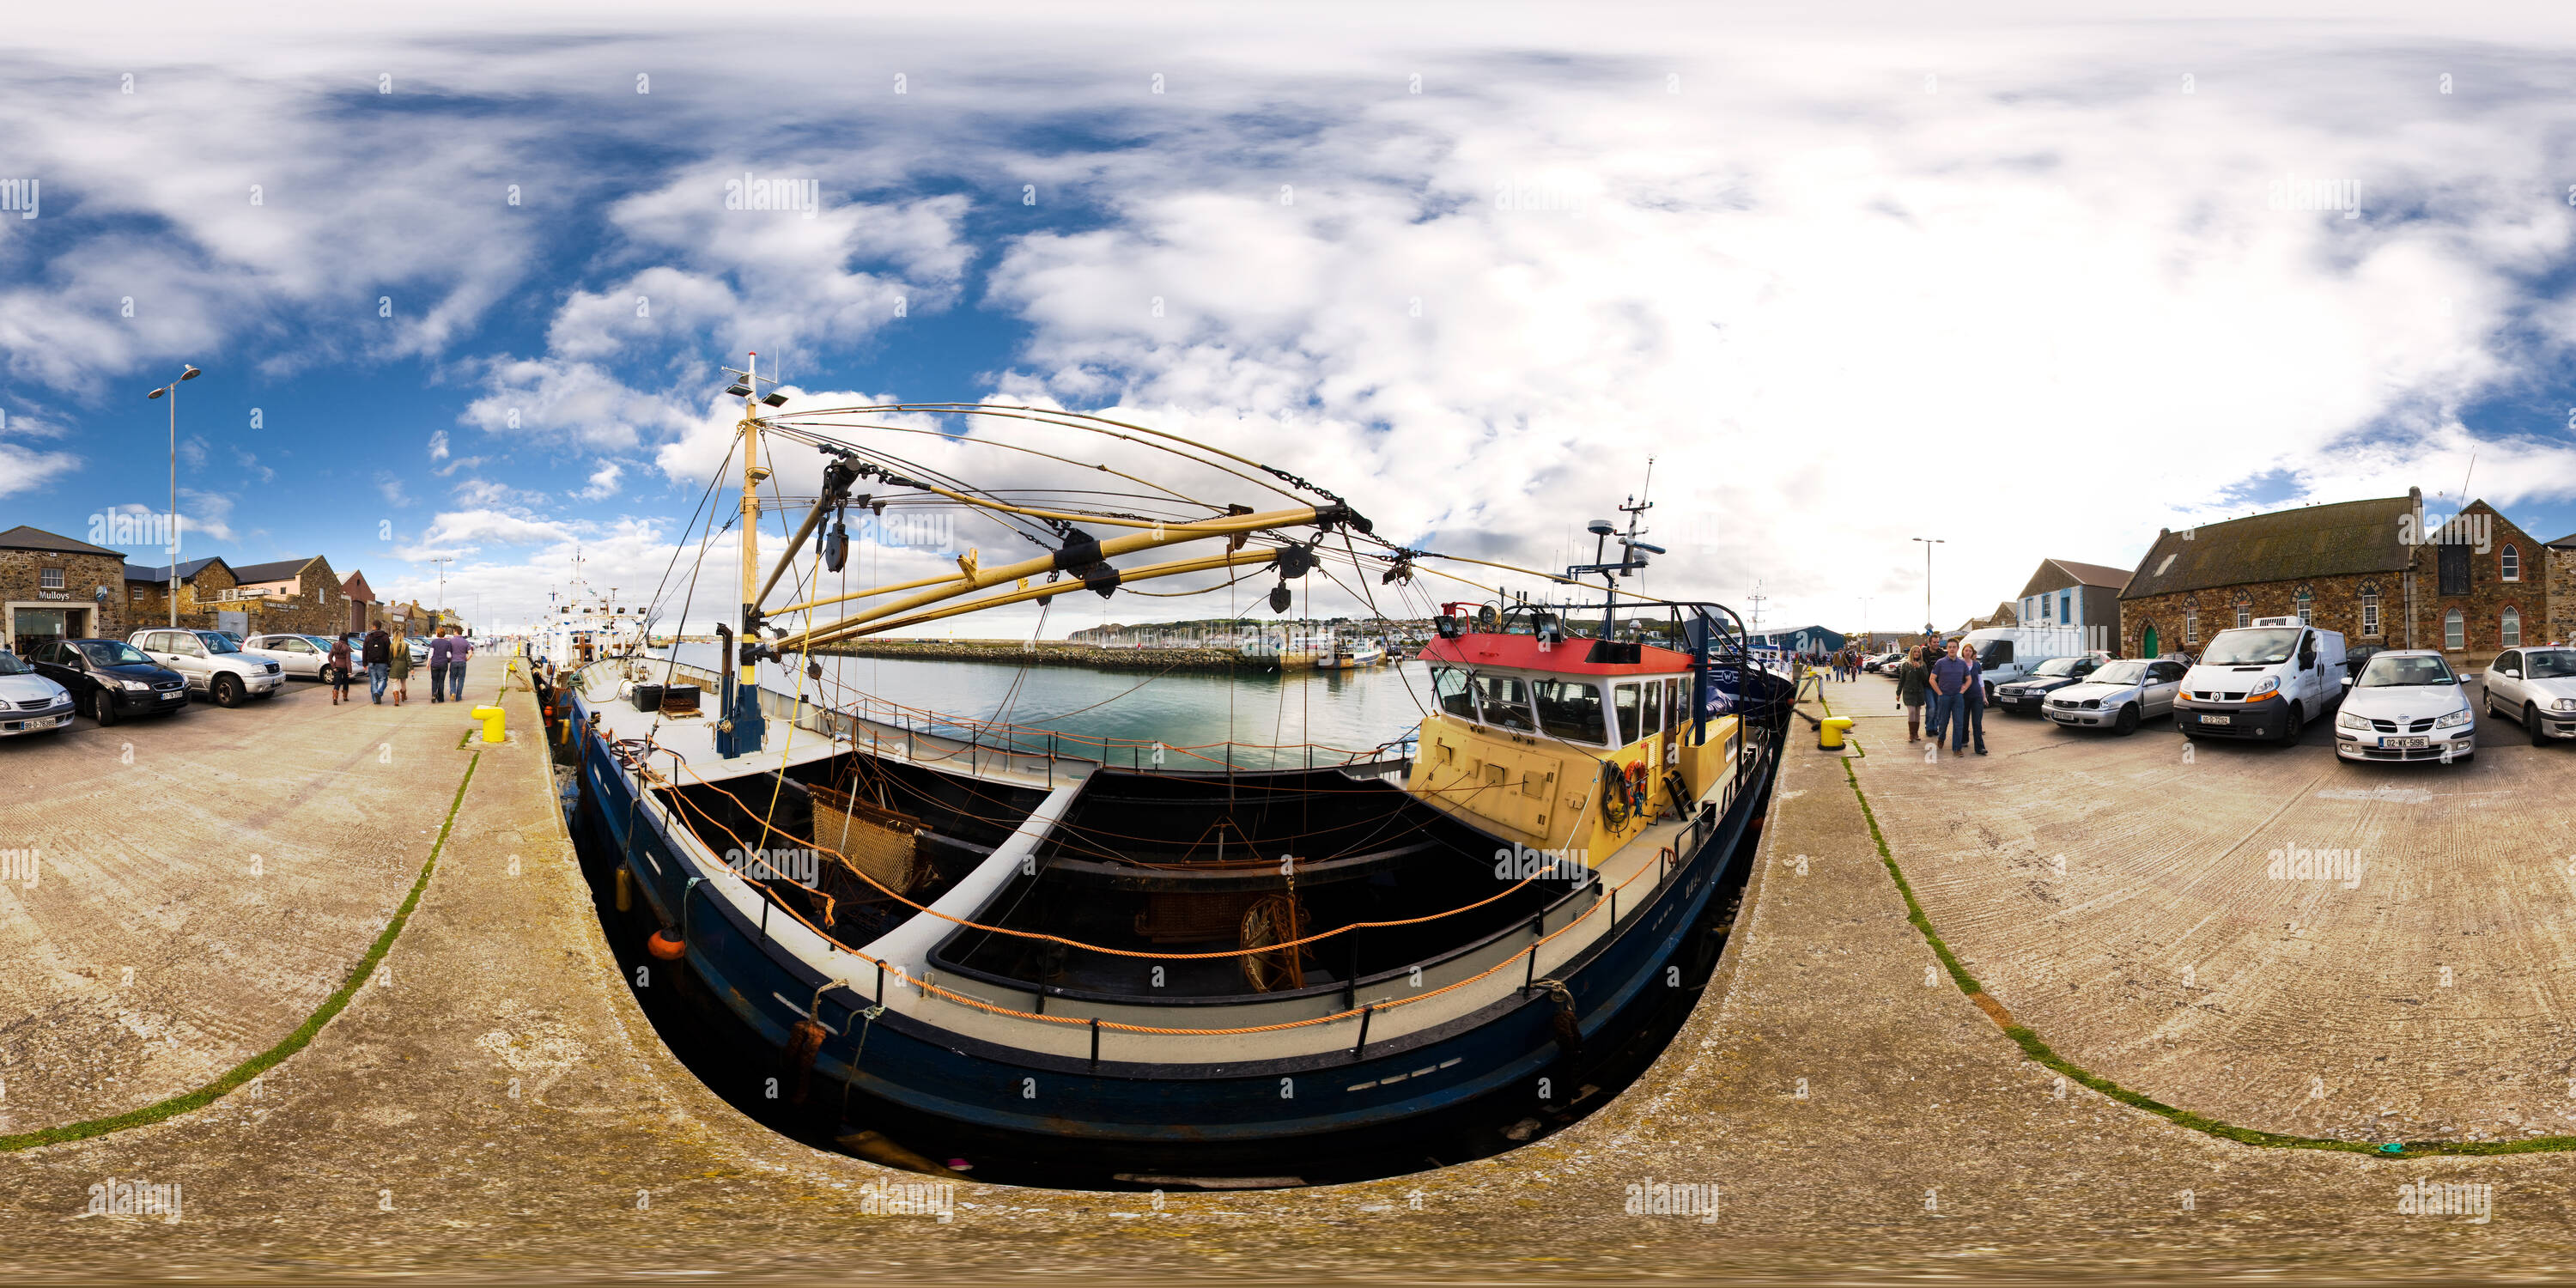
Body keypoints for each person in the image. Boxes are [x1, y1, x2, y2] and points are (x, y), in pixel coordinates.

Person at [1929, 643, 1974, 757]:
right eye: (1950, 647)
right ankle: (1941, 737)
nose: (1952, 649)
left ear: (1958, 649)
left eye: (1954, 647)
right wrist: (1939, 693)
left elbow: (1969, 679)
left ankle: (1957, 749)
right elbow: (1932, 679)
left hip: (1957, 697)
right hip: (1944, 697)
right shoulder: (1940, 663)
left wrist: (1963, 690)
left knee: (1959, 723)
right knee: (1943, 722)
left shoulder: (1962, 663)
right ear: (1947, 649)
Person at [1958, 641, 1989, 756]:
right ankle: (1964, 740)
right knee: (1964, 720)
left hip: (1977, 696)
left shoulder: (1977, 665)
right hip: (1964, 697)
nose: (1968, 652)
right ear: (1963, 652)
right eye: (1966, 650)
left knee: (1977, 723)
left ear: (1972, 653)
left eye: (1970, 651)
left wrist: (1984, 697)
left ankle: (1980, 748)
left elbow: (1981, 682)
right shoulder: (1959, 664)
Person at [1895, 645, 1930, 743]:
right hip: (1908, 692)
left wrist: (1919, 668)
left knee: (1917, 712)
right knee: (1911, 711)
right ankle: (1911, 733)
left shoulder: (1923, 664)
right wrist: (1898, 693)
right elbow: (1901, 680)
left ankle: (1916, 733)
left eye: (1918, 652)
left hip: (1919, 692)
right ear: (1911, 653)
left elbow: (1925, 678)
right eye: (1914, 651)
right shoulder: (1906, 665)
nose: (1916, 653)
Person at [362, 624, 392, 705]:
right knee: (383, 679)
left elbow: (364, 650)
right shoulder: (385, 637)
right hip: (382, 662)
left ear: (374, 626)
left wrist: (364, 663)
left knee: (373, 681)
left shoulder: (368, 637)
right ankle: (379, 692)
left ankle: (375, 700)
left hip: (371, 662)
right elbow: (389, 651)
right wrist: (389, 663)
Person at [427, 628, 457, 703]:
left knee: (434, 680)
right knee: (441, 681)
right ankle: (441, 698)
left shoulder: (434, 642)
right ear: (444, 634)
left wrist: (428, 663)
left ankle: (434, 693)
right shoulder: (448, 643)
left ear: (437, 633)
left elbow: (430, 654)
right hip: (443, 664)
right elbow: (449, 655)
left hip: (435, 663)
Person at [326, 634, 354, 706]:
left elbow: (329, 657)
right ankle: (345, 697)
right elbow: (348, 660)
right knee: (346, 682)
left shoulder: (334, 646)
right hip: (345, 667)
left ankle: (335, 698)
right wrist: (349, 671)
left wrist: (333, 666)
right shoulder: (347, 647)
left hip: (337, 667)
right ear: (346, 639)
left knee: (337, 683)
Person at [388, 627, 413, 706]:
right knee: (403, 683)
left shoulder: (392, 646)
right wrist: (411, 668)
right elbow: (408, 658)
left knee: (395, 684)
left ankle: (396, 700)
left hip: (395, 666)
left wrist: (388, 665)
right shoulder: (405, 646)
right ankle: (403, 695)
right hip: (403, 666)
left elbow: (389, 658)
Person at [448, 630, 473, 702]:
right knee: (461, 680)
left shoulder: (451, 641)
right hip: (462, 662)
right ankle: (458, 697)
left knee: (452, 678)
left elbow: (448, 652)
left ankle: (453, 692)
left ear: (456, 632)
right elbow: (470, 653)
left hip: (454, 662)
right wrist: (466, 660)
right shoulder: (465, 642)